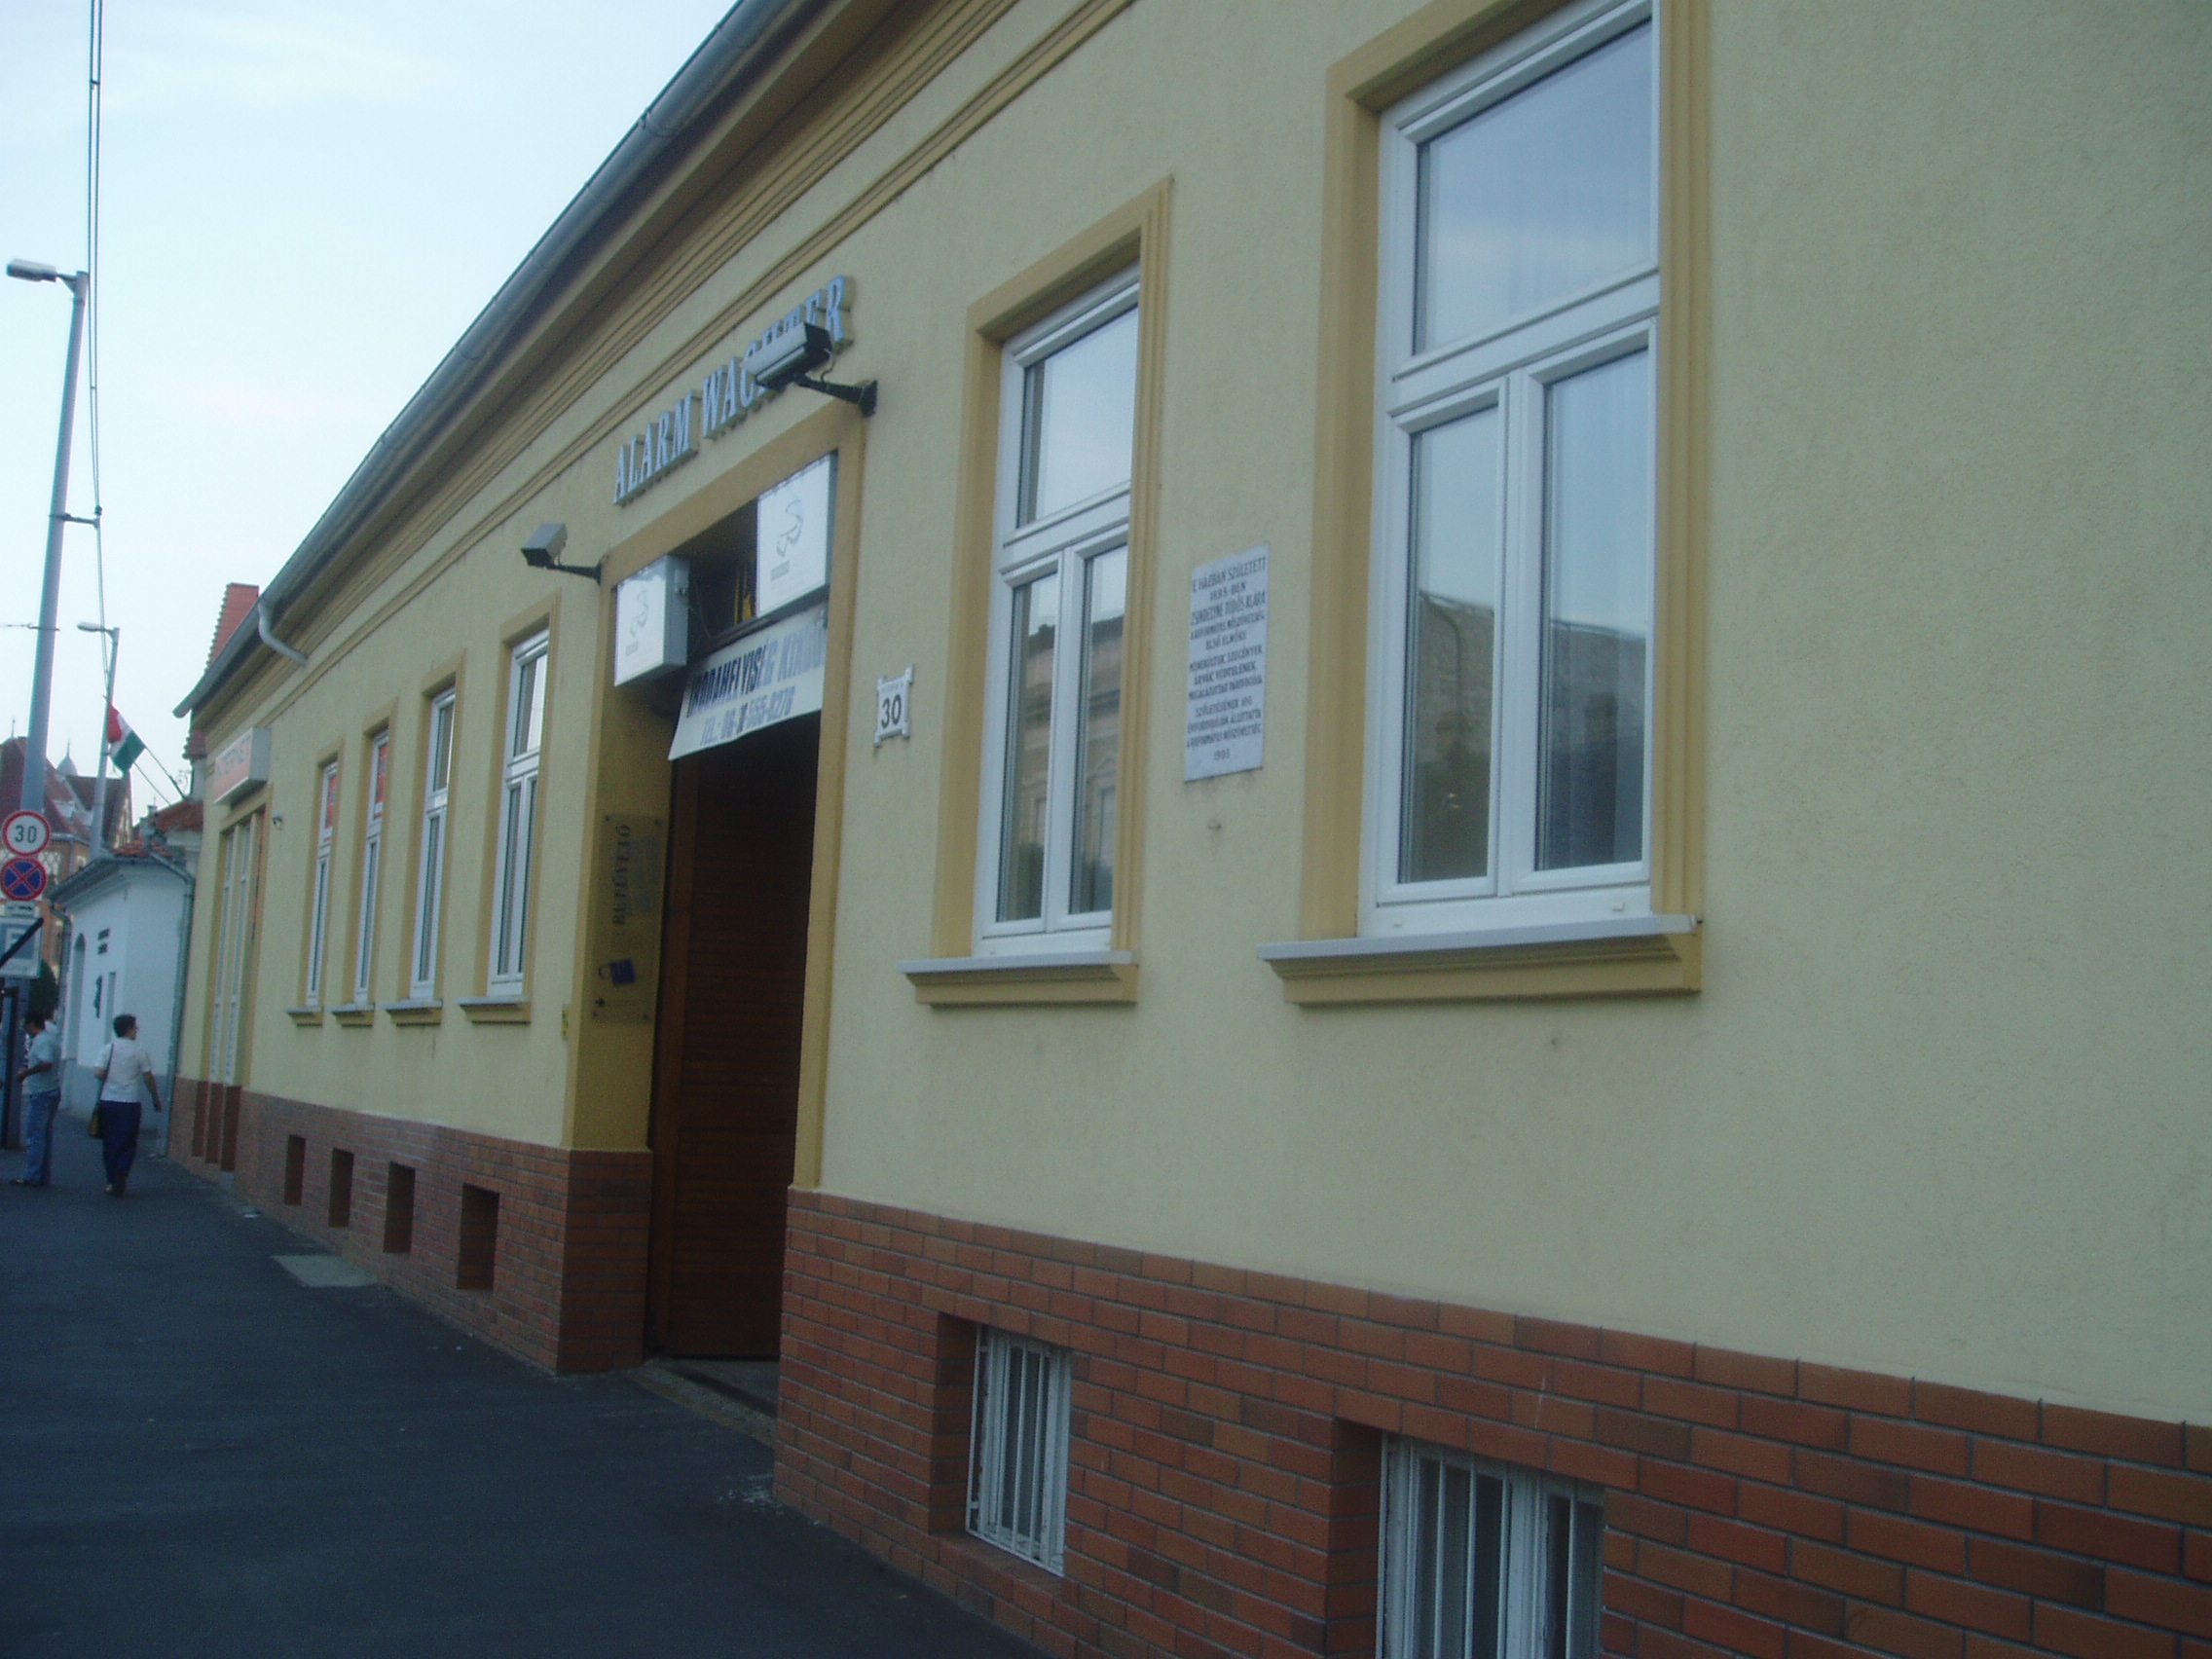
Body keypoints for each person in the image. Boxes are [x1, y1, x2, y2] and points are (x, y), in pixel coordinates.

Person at [92, 1013, 162, 1198]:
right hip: (130, 1101)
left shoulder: (108, 1049)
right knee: (129, 1140)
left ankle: (111, 1180)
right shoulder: (139, 1051)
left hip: (109, 1100)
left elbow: (98, 1072)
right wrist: (155, 1098)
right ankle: (122, 1170)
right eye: (135, 1028)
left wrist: (111, 1079)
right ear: (129, 1029)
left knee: (110, 1140)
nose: (137, 1031)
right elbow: (148, 1077)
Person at [11, 1012, 61, 1187]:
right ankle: (42, 1174)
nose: (24, 1027)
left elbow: (46, 1063)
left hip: (42, 1092)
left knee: (35, 1135)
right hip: (50, 1090)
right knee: (44, 1135)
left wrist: (26, 1073)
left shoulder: (42, 1041)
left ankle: (32, 1175)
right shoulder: (49, 1040)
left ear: (32, 1024)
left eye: (25, 1023)